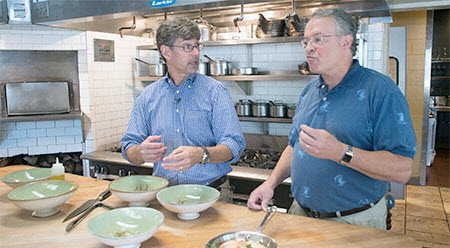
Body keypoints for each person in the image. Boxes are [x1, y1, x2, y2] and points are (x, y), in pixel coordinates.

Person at [247, 8, 416, 230]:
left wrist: (340, 152)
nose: (309, 48)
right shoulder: (310, 90)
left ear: (346, 42)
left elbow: (402, 169)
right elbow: (295, 144)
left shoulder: (381, 91)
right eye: (306, 41)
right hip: (300, 213)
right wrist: (270, 183)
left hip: (354, 221)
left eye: (318, 40)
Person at [121, 17, 246, 202]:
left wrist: (201, 154)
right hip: (163, 196)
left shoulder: (215, 91)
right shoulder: (147, 97)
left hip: (212, 194)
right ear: (166, 52)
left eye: (197, 46)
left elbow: (235, 146)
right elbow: (129, 146)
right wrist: (140, 152)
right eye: (187, 46)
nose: (196, 53)